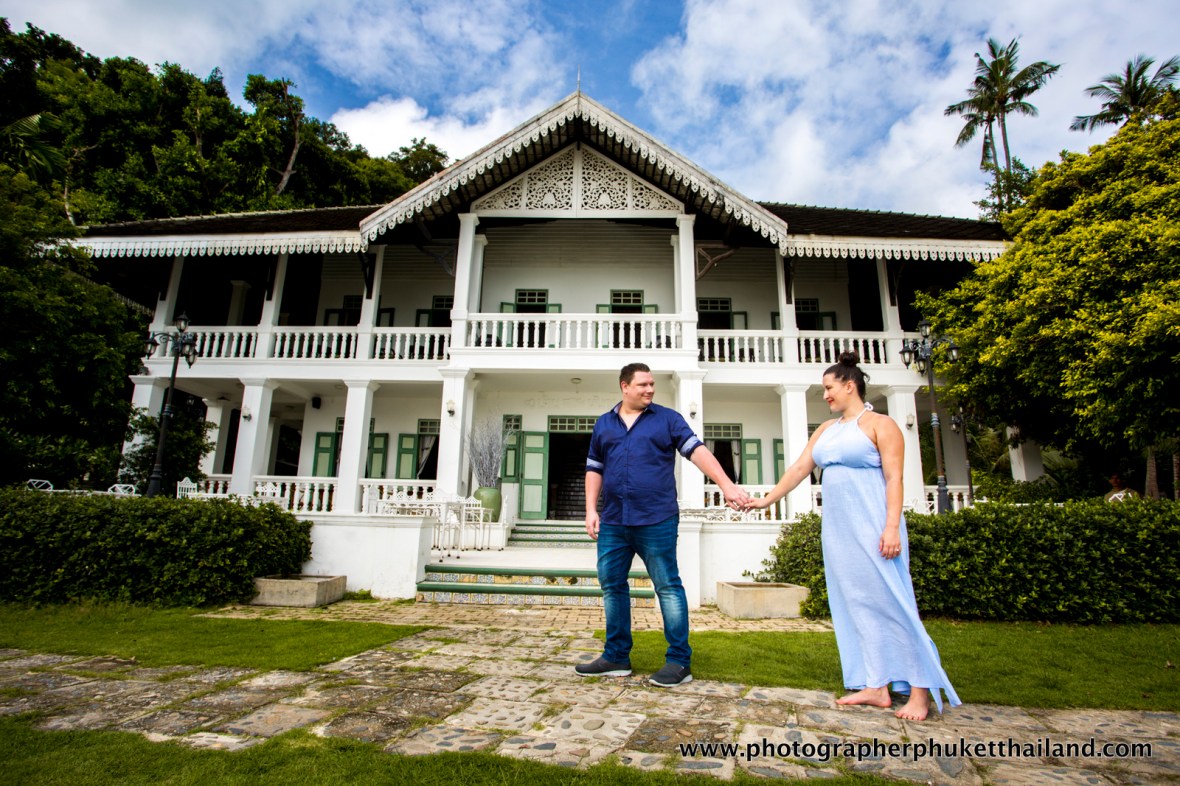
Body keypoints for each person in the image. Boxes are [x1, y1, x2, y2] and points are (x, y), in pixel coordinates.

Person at [746, 351, 960, 720]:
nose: (825, 394)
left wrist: (892, 526)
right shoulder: (827, 430)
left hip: (875, 526)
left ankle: (920, 692)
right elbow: (799, 468)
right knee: (856, 605)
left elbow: (895, 478)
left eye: (829, 388)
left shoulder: (881, 424)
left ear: (849, 386)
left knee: (895, 603)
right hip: (839, 532)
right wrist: (766, 499)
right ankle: (875, 685)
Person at [577, 362, 750, 687]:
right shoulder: (604, 424)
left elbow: (697, 451)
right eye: (642, 385)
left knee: (668, 587)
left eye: (652, 385)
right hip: (613, 521)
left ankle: (679, 662)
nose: (649, 390)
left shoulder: (668, 419)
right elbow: (594, 468)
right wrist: (590, 509)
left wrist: (726, 484)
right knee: (612, 587)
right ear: (624, 386)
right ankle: (616, 656)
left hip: (656, 519)